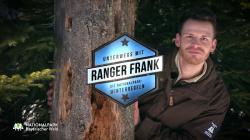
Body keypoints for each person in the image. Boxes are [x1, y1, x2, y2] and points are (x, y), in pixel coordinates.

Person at [134, 8, 230, 140]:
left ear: (213, 46)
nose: (196, 45)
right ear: (178, 40)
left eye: (204, 38)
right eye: (190, 36)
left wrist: (140, 126)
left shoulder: (217, 97)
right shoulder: (145, 58)